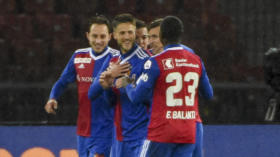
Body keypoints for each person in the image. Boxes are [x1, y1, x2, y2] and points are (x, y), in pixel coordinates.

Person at [125, 16, 213, 157]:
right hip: (188, 131)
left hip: (162, 132)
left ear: (162, 36)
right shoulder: (196, 60)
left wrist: (127, 83)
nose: (151, 41)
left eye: (155, 36)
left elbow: (136, 97)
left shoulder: (155, 62)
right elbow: (208, 94)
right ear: (180, 35)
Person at [44, 15, 120, 157]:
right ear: (87, 36)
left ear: (110, 36)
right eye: (94, 36)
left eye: (103, 36)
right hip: (83, 129)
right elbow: (63, 81)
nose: (98, 41)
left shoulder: (116, 58)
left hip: (105, 129)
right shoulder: (79, 56)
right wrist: (53, 97)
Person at [88, 13, 151, 157]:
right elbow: (93, 94)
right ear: (114, 35)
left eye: (130, 32)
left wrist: (127, 81)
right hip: (119, 137)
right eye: (122, 33)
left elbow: (148, 98)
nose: (127, 36)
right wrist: (107, 85)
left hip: (141, 136)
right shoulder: (113, 60)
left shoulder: (146, 61)